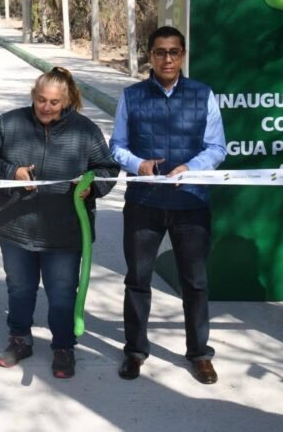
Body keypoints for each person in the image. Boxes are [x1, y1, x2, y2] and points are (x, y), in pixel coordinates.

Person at [0, 67, 119, 379]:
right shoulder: (9, 123)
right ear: (33, 96)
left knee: (63, 291)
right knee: (20, 287)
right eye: (41, 100)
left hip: (64, 232)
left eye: (54, 102)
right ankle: (19, 339)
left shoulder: (85, 131)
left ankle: (64, 347)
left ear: (66, 101)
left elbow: (107, 169)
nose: (46, 107)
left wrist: (90, 186)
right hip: (15, 227)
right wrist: (12, 172)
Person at [109, 26, 226, 385]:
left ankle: (199, 353)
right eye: (160, 52)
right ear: (150, 55)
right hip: (143, 202)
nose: (168, 59)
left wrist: (192, 168)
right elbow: (117, 146)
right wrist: (138, 165)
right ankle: (135, 351)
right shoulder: (131, 97)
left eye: (174, 52)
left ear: (183, 55)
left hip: (191, 202)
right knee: (137, 279)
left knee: (195, 282)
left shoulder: (203, 94)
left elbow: (217, 148)